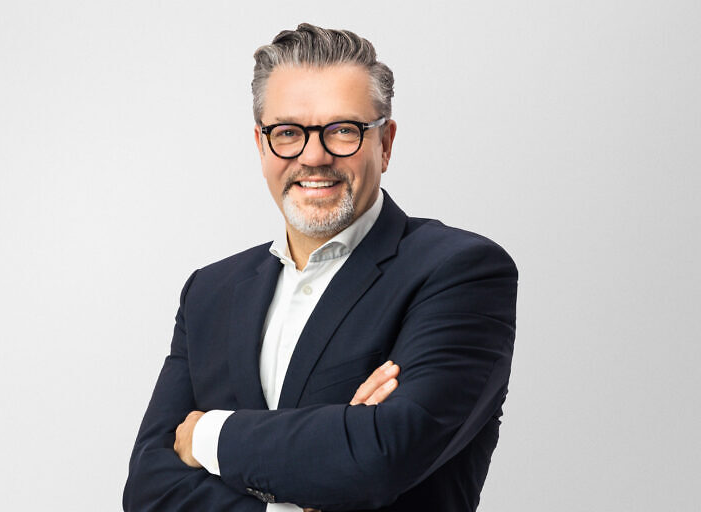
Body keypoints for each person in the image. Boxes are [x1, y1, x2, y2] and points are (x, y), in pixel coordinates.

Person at [123, 23, 518, 512]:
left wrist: (207, 433)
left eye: (343, 130)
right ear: (261, 144)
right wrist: (324, 461)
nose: (314, 156)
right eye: (288, 133)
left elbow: (381, 457)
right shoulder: (210, 292)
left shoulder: (460, 272)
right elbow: (147, 491)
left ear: (385, 143)